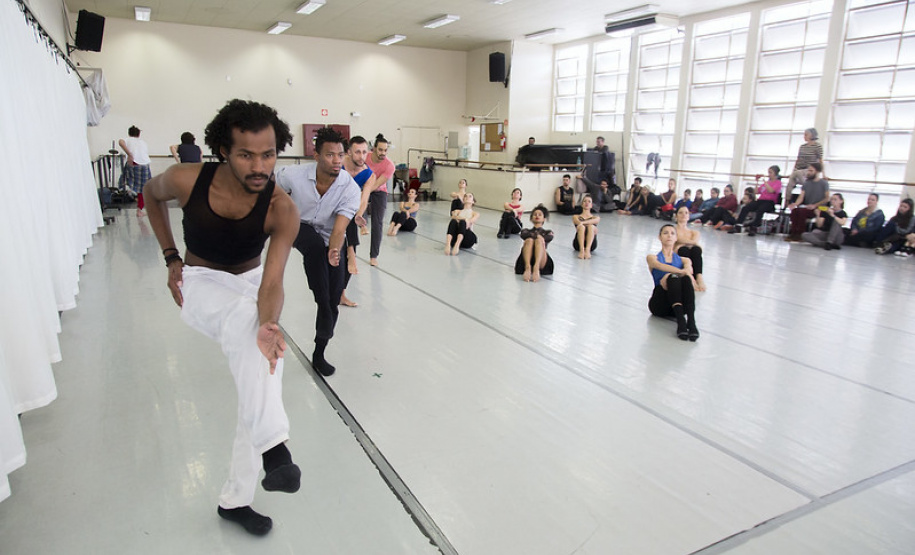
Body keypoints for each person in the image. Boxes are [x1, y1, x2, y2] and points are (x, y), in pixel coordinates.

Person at [143, 99, 301, 536]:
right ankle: (276, 451)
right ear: (223, 152)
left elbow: (271, 284)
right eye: (246, 154)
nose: (259, 165)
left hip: (252, 287)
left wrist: (269, 326)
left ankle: (236, 499)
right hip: (200, 283)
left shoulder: (281, 208)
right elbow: (148, 196)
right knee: (244, 327)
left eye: (268, 154)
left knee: (263, 375)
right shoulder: (185, 179)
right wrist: (170, 256)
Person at [276, 127, 360, 377]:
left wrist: (335, 251)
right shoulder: (293, 175)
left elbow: (339, 229)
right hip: (298, 225)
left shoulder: (349, 188)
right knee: (313, 247)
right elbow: (270, 189)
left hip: (330, 233)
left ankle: (319, 351)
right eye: (329, 155)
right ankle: (321, 299)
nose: (336, 161)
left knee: (332, 299)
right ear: (316, 155)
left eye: (340, 155)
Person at [339, 136, 376, 308]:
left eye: (364, 152)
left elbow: (364, 199)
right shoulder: (339, 167)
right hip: (332, 207)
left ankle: (341, 294)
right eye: (358, 152)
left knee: (351, 216)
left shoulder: (369, 175)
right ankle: (351, 251)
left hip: (351, 209)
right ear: (349, 152)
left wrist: (359, 215)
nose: (362, 156)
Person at [647, 224, 699, 341]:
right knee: (675, 277)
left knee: (683, 279)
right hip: (660, 303)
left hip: (677, 307)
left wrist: (683, 274)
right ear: (659, 237)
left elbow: (689, 271)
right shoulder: (652, 257)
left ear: (676, 238)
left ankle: (691, 321)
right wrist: (677, 273)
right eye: (665, 233)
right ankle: (681, 322)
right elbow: (659, 266)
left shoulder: (685, 260)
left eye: (672, 233)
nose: (669, 236)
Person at [364, 133, 395, 266]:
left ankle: (373, 256)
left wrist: (364, 195)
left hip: (378, 190)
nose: (383, 153)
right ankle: (362, 224)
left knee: (377, 223)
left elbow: (376, 184)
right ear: (374, 149)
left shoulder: (389, 166)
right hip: (362, 185)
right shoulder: (365, 157)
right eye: (380, 149)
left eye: (385, 150)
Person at [731, 166, 782, 236]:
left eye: (770, 172)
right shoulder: (766, 183)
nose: (769, 174)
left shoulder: (778, 183)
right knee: (746, 208)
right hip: (761, 200)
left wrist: (765, 181)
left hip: (770, 202)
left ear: (775, 174)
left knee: (760, 210)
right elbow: (756, 191)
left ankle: (754, 227)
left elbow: (771, 190)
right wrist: (757, 182)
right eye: (768, 172)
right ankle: (738, 226)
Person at [785, 163, 829, 241]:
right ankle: (793, 233)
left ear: (817, 172)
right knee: (795, 211)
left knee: (802, 212)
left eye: (811, 171)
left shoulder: (824, 183)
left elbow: (827, 198)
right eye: (808, 170)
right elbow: (801, 197)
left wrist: (815, 205)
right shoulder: (806, 183)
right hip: (808, 207)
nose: (808, 172)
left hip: (819, 207)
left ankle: (800, 234)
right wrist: (795, 204)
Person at [784, 128, 824, 208]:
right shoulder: (802, 147)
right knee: (791, 180)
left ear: (812, 135)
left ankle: (807, 188)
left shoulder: (817, 146)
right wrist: (793, 171)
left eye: (806, 134)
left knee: (798, 173)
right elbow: (798, 159)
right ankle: (787, 200)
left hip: (809, 169)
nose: (804, 136)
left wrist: (822, 173)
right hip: (799, 168)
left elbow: (820, 160)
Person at [118, 125, 152, 216]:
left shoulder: (127, 140)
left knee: (126, 179)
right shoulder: (143, 142)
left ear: (129, 133)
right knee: (143, 189)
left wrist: (129, 154)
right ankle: (139, 209)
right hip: (145, 165)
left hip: (134, 163)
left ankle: (128, 189)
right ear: (138, 134)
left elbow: (120, 142)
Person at [516, 204, 554, 282]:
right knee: (529, 240)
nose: (537, 216)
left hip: (541, 260)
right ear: (531, 219)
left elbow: (549, 237)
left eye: (540, 215)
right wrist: (537, 236)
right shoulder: (526, 230)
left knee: (539, 241)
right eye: (534, 214)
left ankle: (536, 267)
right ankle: (528, 267)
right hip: (527, 259)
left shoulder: (548, 232)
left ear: (544, 219)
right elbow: (523, 235)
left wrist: (539, 237)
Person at [674, 205, 706, 291]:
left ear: (689, 216)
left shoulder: (694, 232)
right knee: (684, 249)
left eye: (686, 213)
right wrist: (691, 243)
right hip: (679, 257)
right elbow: (678, 239)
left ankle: (699, 276)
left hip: (690, 255)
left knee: (696, 249)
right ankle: (690, 277)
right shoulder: (673, 230)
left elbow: (693, 242)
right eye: (680, 213)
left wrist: (682, 243)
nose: (683, 215)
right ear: (676, 216)